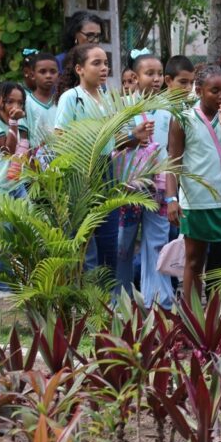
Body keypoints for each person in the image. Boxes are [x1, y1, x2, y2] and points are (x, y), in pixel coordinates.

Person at [55, 44, 152, 272]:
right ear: (79, 69)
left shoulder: (108, 97)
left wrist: (133, 137)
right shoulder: (72, 98)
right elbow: (59, 138)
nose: (103, 68)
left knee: (108, 239)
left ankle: (106, 301)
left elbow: (112, 141)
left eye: (106, 63)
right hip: (80, 173)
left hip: (107, 169)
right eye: (96, 63)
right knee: (85, 240)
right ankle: (86, 300)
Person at [166, 65, 221, 306]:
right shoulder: (183, 118)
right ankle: (194, 316)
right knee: (194, 261)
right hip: (196, 201)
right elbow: (173, 161)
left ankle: (215, 302)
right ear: (200, 90)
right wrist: (172, 199)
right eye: (215, 91)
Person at [114, 49, 176, 309]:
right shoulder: (123, 108)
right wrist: (133, 138)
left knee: (157, 243)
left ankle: (159, 302)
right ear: (135, 78)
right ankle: (121, 302)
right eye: (149, 73)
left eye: (159, 73)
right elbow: (112, 145)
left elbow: (172, 153)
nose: (155, 78)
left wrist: (173, 196)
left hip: (160, 188)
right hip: (130, 187)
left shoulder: (168, 110)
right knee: (123, 246)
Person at [23, 51, 59, 149]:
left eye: (53, 71)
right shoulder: (26, 102)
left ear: (58, 75)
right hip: (35, 160)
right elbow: (23, 137)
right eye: (42, 72)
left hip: (62, 159)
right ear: (32, 75)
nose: (48, 76)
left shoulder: (62, 101)